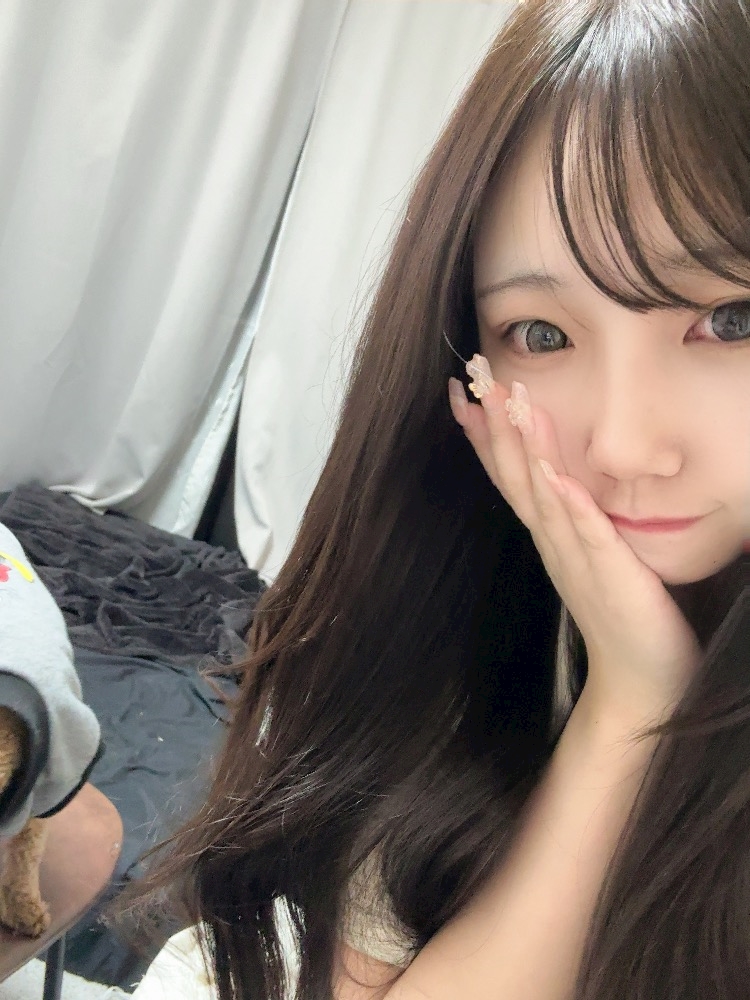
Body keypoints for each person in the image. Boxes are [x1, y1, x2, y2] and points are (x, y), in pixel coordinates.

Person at [121, 1, 750, 997]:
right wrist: (633, 702)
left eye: (730, 317)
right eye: (541, 335)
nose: (626, 446)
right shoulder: (464, 618)